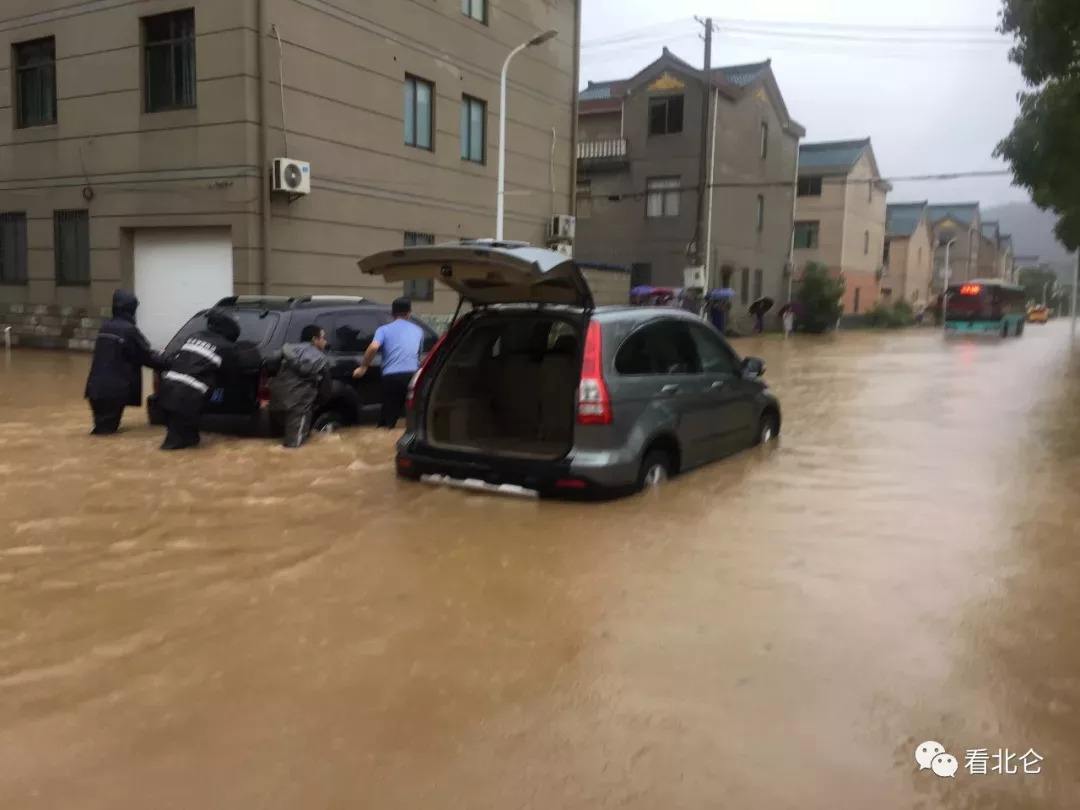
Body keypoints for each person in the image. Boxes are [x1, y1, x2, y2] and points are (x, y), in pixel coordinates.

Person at [84, 290, 170, 435]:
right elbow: (146, 356)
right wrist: (169, 361)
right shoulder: (128, 330)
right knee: (106, 435)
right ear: (131, 308)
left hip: (95, 388)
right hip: (113, 392)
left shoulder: (106, 326)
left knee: (102, 431)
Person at [156, 308, 242, 451]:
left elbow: (176, 359)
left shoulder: (193, 336)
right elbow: (232, 377)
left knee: (188, 440)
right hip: (188, 400)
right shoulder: (228, 347)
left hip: (165, 393)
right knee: (174, 446)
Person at [353, 297, 423, 429]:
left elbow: (373, 347)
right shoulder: (418, 331)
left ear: (392, 313)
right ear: (409, 313)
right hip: (412, 377)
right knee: (412, 416)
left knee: (388, 419)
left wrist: (363, 367)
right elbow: (418, 355)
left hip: (391, 377)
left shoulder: (383, 330)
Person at [267, 325, 334, 448]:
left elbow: (270, 368)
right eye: (323, 338)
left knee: (277, 442)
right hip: (298, 409)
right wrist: (314, 404)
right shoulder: (321, 360)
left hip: (276, 404)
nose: (325, 341)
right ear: (315, 339)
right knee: (295, 449)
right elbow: (326, 390)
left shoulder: (287, 351)